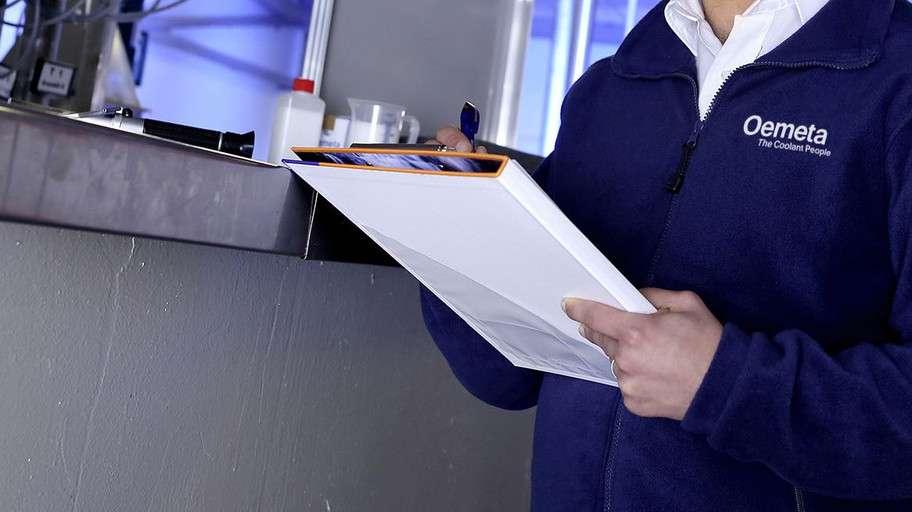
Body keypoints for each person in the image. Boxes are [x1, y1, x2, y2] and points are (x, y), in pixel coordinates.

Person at [421, 0, 912, 510]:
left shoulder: (897, 84)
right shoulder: (608, 87)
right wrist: (454, 237)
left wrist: (725, 385)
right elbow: (505, 377)